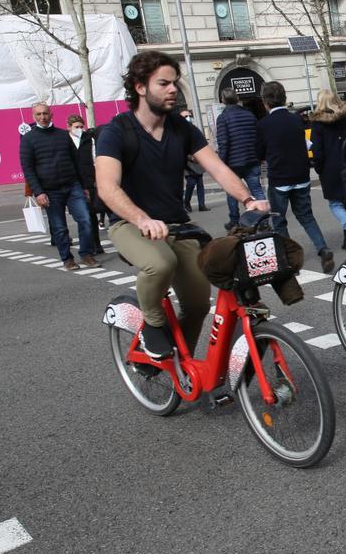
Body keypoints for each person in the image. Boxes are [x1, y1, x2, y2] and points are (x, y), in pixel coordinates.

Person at [95, 51, 270, 360]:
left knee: (199, 303)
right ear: (139, 87)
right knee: (160, 263)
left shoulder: (181, 128)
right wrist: (141, 219)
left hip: (177, 224)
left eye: (174, 83)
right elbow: (107, 187)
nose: (173, 89)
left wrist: (247, 198)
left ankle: (181, 363)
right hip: (130, 224)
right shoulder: (116, 131)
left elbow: (217, 167)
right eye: (163, 83)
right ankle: (153, 324)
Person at [256, 81, 335, 274]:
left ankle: (289, 259)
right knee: (306, 216)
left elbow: (259, 152)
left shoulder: (263, 124)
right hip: (301, 176)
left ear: (265, 102)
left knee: (279, 220)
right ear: (284, 98)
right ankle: (323, 249)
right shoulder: (297, 120)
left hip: (279, 179)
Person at [18, 101, 98, 270]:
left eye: (45, 113)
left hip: (73, 186)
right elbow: (28, 168)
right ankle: (67, 259)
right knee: (60, 228)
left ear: (51, 114)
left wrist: (84, 186)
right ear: (33, 116)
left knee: (85, 220)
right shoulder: (28, 139)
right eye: (38, 114)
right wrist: (38, 192)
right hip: (49, 191)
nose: (42, 117)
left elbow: (76, 162)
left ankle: (86, 254)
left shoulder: (63, 135)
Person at [308, 89, 346, 251]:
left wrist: (318, 167)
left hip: (330, 168)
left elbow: (317, 150)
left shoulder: (318, 122)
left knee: (335, 203)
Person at [214, 88, 263, 231]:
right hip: (251, 158)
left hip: (233, 162)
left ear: (223, 100)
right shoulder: (249, 115)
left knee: (232, 192)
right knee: (256, 189)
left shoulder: (223, 118)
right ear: (237, 99)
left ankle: (234, 220)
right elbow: (257, 137)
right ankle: (262, 218)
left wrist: (221, 163)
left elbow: (223, 142)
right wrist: (258, 156)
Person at [66, 114, 106, 256]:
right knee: (82, 216)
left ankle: (96, 244)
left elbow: (96, 160)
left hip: (90, 181)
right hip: (74, 182)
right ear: (69, 128)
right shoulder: (66, 140)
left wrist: (97, 178)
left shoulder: (90, 140)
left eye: (81, 126)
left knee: (91, 213)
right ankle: (88, 246)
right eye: (76, 127)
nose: (80, 129)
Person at [179, 109, 209, 213]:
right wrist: (190, 157)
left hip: (198, 162)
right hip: (188, 163)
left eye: (189, 115)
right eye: (185, 116)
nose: (188, 118)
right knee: (191, 184)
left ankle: (202, 205)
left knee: (200, 184)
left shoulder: (194, 130)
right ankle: (186, 202)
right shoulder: (179, 132)